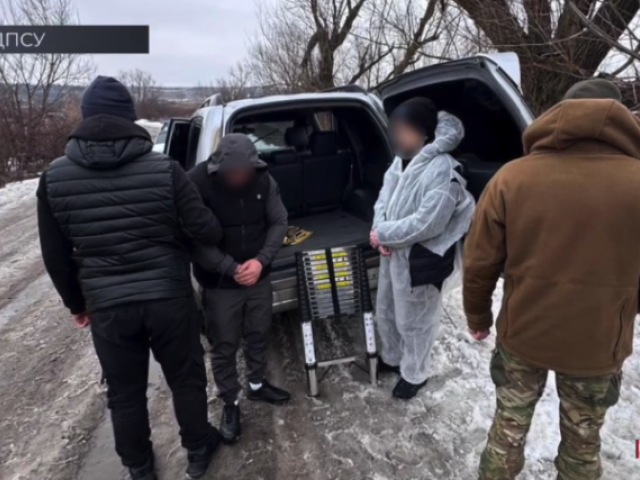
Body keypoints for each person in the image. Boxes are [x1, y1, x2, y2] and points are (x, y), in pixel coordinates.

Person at [37, 76, 222, 480]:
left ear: (84, 118)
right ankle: (197, 450)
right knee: (185, 379)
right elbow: (206, 230)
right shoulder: (166, 170)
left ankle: (139, 468)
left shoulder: (53, 178)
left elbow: (55, 256)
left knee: (124, 393)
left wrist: (77, 304)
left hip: (108, 307)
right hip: (169, 298)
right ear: (130, 118)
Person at [463, 79, 640, 480]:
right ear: (622, 119)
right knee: (582, 446)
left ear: (560, 114)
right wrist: (623, 309)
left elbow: (479, 262)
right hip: (598, 343)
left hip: (524, 334)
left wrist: (478, 317)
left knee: (506, 434)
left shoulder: (513, 177)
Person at [370, 98, 475, 400]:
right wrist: (379, 230)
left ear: (424, 133)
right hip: (393, 252)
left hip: (421, 259)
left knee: (415, 321)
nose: (398, 137)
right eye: (396, 130)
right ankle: (392, 357)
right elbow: (383, 198)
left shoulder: (442, 170)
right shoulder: (400, 161)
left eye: (404, 130)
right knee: (387, 311)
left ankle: (415, 374)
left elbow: (428, 223)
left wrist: (384, 234)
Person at [188, 133, 290, 444]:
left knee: (258, 332)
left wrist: (261, 261)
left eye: (244, 172)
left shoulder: (264, 179)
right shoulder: (197, 183)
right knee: (224, 344)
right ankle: (230, 402)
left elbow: (279, 222)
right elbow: (192, 237)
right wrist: (229, 268)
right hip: (219, 283)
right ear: (219, 167)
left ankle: (256, 384)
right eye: (233, 173)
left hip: (258, 276)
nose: (239, 178)